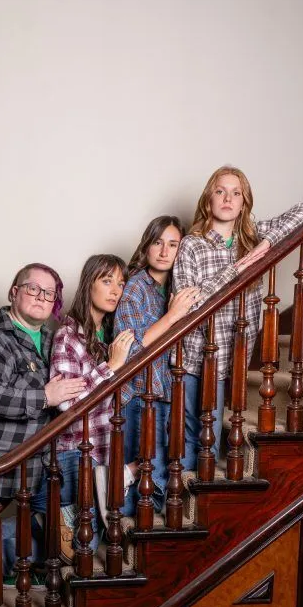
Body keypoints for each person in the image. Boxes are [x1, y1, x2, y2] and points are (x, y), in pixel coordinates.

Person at [172, 166, 303, 471]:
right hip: (198, 358)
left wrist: (265, 245)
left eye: (236, 193)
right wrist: (236, 270)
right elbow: (187, 304)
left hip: (236, 357)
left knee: (216, 437)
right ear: (208, 200)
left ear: (244, 203)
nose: (228, 198)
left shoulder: (252, 237)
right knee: (197, 439)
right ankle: (187, 494)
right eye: (220, 191)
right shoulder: (192, 244)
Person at [0, 265, 86, 573]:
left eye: (49, 293)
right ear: (14, 292)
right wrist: (44, 397)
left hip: (37, 463)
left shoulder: (52, 341)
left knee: (58, 537)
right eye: (33, 288)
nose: (41, 297)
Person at [49, 254, 134, 556]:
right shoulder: (68, 335)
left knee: (94, 538)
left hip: (103, 448)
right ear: (89, 284)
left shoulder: (109, 333)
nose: (115, 291)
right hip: (76, 450)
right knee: (81, 544)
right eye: (107, 281)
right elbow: (67, 404)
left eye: (120, 284)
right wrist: (111, 366)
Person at [113, 216, 200, 514]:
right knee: (137, 482)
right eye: (158, 242)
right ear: (146, 246)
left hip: (164, 391)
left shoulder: (176, 286)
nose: (164, 251)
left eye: (173, 244)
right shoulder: (135, 287)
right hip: (138, 393)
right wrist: (173, 315)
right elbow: (130, 350)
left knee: (154, 474)